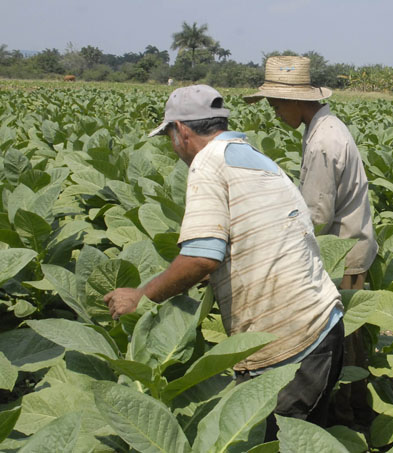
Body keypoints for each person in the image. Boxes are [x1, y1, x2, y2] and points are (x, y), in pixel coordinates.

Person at [104, 84, 345, 439]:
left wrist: (142, 296)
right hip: (321, 327)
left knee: (274, 443)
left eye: (170, 136)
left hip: (291, 344)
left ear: (182, 131)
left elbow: (201, 258)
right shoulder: (251, 156)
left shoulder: (208, 164)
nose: (173, 147)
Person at [244, 56, 378, 427]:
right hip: (349, 249)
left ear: (296, 100)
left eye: (275, 105)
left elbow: (316, 217)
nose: (273, 113)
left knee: (343, 348)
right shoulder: (325, 126)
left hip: (342, 257)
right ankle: (352, 415)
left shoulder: (322, 141)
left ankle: (349, 424)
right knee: (349, 346)